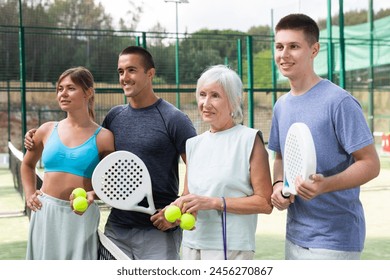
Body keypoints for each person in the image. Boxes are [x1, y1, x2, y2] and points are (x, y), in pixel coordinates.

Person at [25, 46, 197, 259]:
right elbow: (104, 167)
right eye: (120, 71)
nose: (124, 77)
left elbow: (196, 164)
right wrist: (36, 135)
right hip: (117, 228)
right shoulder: (115, 117)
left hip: (158, 229)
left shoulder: (174, 118)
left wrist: (179, 208)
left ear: (150, 74)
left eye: (131, 70)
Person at [268, 13, 380, 260]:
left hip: (335, 240)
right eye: (279, 46)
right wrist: (278, 185)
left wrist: (325, 185)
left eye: (294, 46)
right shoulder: (281, 106)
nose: (284, 55)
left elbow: (370, 164)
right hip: (295, 235)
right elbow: (279, 157)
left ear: (314, 50)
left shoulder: (339, 102)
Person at [171, 65, 273, 260]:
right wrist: (178, 213)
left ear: (234, 102)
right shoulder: (193, 144)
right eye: (202, 95)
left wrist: (213, 202)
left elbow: (265, 203)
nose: (205, 103)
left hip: (232, 247)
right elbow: (188, 196)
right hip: (192, 244)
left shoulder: (250, 140)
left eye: (215, 96)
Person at [21, 67, 115, 260]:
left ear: (88, 92)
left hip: (81, 217)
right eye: (59, 89)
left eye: (70, 88)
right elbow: (27, 165)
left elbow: (111, 185)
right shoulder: (46, 130)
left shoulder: (104, 137)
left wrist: (93, 195)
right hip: (45, 213)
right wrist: (30, 193)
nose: (63, 94)